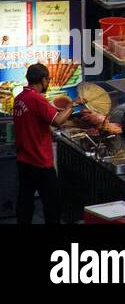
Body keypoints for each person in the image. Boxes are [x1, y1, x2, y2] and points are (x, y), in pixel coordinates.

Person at [14, 63, 77, 224]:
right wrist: (72, 105)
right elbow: (58, 121)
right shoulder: (37, 99)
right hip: (40, 162)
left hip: (24, 161)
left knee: (25, 205)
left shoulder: (19, 99)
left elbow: (31, 125)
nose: (48, 83)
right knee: (53, 206)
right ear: (42, 80)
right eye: (48, 80)